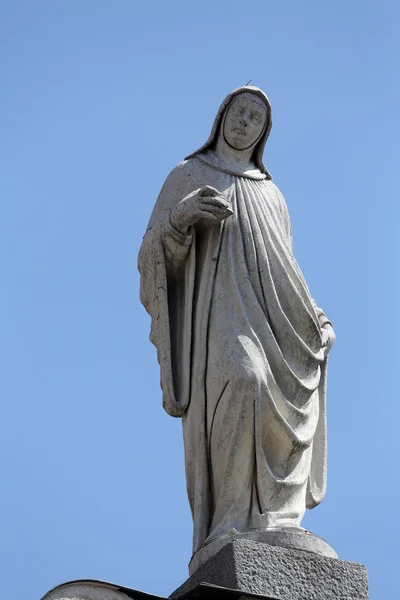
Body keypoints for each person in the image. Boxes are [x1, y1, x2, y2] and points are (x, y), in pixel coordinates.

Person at [138, 86, 335, 560]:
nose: (244, 121)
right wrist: (180, 221)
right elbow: (149, 255)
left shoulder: (272, 194)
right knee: (245, 382)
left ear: (264, 132)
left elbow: (286, 267)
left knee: (274, 402)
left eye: (256, 117)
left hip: (274, 319)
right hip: (220, 313)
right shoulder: (187, 174)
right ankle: (227, 521)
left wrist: (318, 318)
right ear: (221, 116)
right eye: (239, 111)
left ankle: (278, 520)